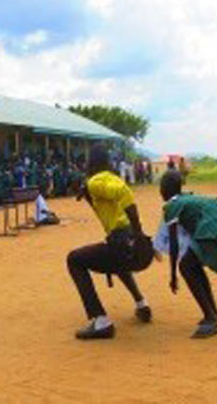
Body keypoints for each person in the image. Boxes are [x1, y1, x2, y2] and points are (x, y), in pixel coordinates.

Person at [67, 144, 154, 340]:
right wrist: (87, 194)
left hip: (125, 241)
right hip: (127, 243)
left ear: (90, 162)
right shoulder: (108, 178)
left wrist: (139, 235)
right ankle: (141, 303)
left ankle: (101, 321)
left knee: (74, 259)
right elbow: (105, 210)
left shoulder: (97, 181)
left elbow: (124, 193)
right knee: (115, 261)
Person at [154, 170, 217, 338]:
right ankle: (213, 313)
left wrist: (173, 275)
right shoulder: (184, 198)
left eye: (161, 186)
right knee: (193, 265)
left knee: (186, 265)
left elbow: (174, 244)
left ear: (165, 189)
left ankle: (212, 317)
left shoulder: (172, 206)